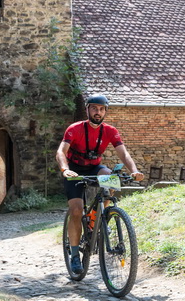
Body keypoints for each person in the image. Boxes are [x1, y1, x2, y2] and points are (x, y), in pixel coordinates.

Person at [56, 94, 144, 275]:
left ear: (105, 111)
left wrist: (134, 171)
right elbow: (61, 152)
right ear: (87, 109)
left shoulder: (110, 131)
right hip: (74, 170)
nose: (98, 112)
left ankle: (97, 218)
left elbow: (124, 154)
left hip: (94, 167)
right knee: (76, 210)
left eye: (102, 109)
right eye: (94, 108)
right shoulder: (75, 129)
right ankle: (74, 255)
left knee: (111, 177)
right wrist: (65, 169)